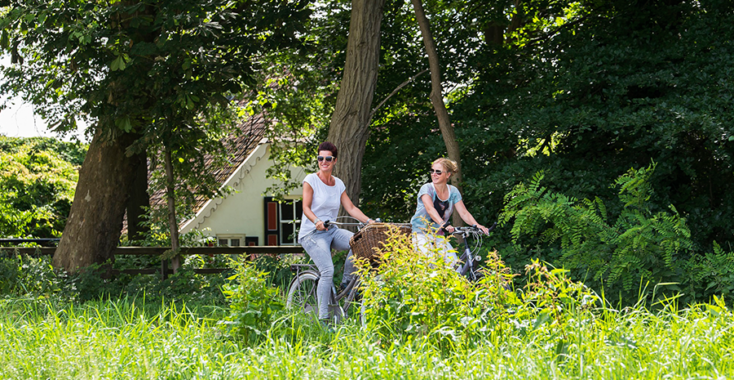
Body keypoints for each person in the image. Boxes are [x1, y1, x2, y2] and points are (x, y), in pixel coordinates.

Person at [298, 142, 375, 323]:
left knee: (359, 241)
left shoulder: (338, 183)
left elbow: (351, 207)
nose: (324, 162)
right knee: (327, 270)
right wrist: (316, 220)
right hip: (312, 233)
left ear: (335, 161)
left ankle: (346, 283)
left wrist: (369, 222)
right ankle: (323, 318)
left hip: (331, 230)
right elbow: (306, 207)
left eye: (328, 159)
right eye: (320, 158)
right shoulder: (311, 180)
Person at [410, 158, 489, 267]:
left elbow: (464, 213)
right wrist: (443, 224)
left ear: (448, 175)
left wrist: (477, 225)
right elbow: (430, 209)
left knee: (455, 266)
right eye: (432, 171)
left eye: (438, 172)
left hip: (438, 235)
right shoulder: (427, 189)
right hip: (421, 234)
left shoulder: (453, 192)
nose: (434, 174)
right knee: (431, 264)